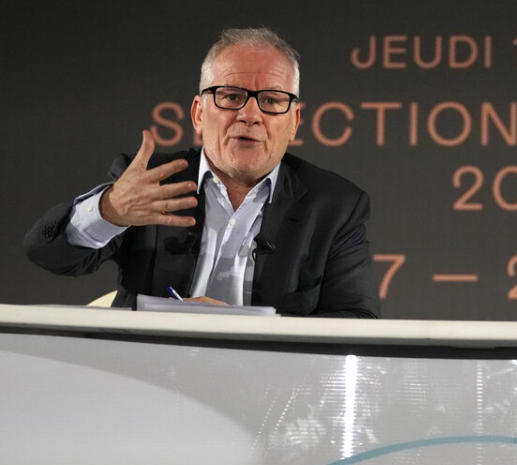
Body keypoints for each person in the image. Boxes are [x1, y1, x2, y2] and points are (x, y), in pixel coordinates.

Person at [25, 27, 379, 318]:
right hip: (148, 381)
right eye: (231, 96)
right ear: (198, 113)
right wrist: (110, 211)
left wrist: (241, 331)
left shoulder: (333, 205)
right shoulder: (154, 179)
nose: (250, 115)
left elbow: (356, 320)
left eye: (271, 101)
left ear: (294, 122)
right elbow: (47, 253)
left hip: (268, 389)